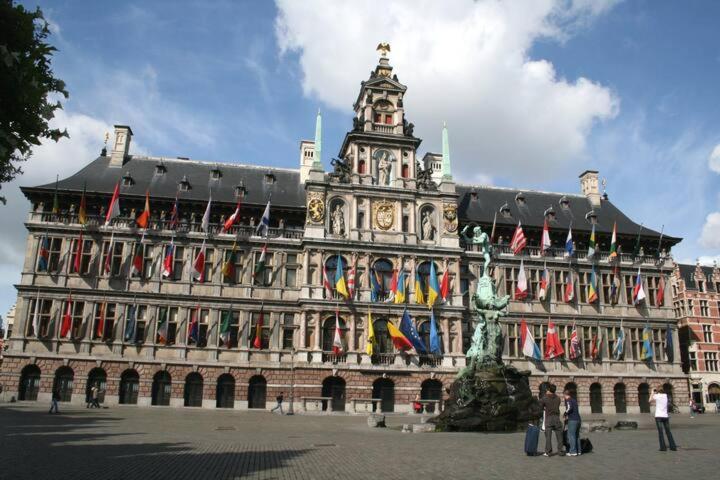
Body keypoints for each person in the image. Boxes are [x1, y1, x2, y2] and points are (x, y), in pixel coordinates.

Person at [539, 384, 564, 456]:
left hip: (549, 418)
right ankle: (560, 451)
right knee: (559, 435)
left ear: (549, 390)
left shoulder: (545, 398)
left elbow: (541, 405)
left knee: (548, 436)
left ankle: (548, 451)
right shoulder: (558, 398)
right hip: (556, 418)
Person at [650, 386, 677, 451]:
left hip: (658, 416)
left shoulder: (657, 396)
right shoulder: (666, 396)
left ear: (657, 391)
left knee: (661, 432)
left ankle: (663, 447)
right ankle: (673, 447)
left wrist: (652, 392)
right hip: (665, 416)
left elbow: (649, 400)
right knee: (668, 431)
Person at [563, 390, 581, 456]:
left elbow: (570, 407)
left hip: (572, 420)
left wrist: (565, 413)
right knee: (577, 436)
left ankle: (573, 451)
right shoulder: (574, 400)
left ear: (565, 395)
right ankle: (579, 450)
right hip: (578, 420)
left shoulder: (568, 400)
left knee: (571, 436)